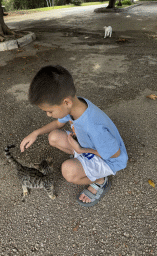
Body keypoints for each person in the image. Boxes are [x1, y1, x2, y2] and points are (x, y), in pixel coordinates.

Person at [20, 65, 128, 207]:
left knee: (68, 171)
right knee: (53, 137)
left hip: (107, 159)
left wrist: (82, 151)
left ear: (66, 102)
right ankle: (82, 161)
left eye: (50, 111)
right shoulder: (76, 105)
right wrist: (36, 133)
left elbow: (114, 154)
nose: (48, 115)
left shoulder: (94, 127)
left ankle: (100, 180)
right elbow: (58, 124)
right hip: (87, 146)